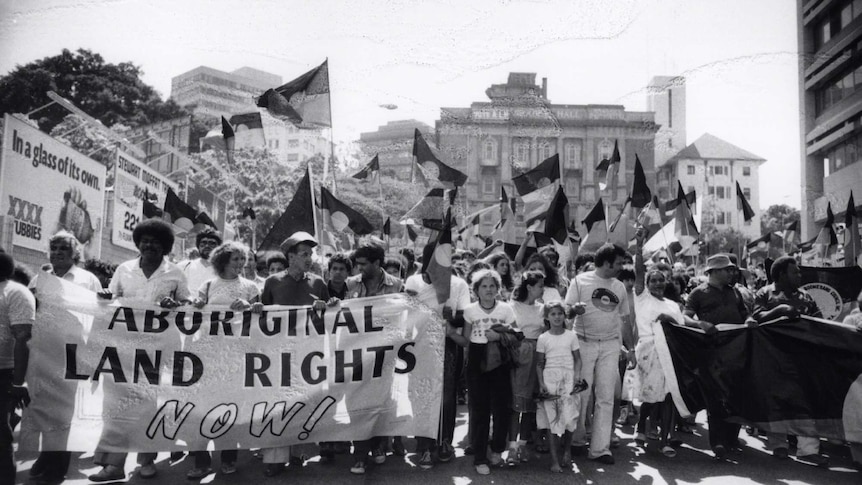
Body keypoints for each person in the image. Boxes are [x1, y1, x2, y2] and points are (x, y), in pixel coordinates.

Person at [89, 219, 191, 482]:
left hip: (159, 349)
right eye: (145, 240)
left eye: (156, 242)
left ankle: (146, 459)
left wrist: (175, 304)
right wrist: (104, 296)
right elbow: (110, 300)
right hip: (124, 348)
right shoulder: (124, 269)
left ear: (165, 246)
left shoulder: (175, 273)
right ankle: (113, 465)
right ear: (138, 243)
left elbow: (188, 304)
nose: (149, 246)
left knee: (150, 403)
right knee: (118, 403)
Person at [252, 231, 331, 477]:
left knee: (303, 401)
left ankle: (298, 452)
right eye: (304, 254)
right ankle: (274, 458)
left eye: (311, 254)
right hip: (278, 353)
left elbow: (331, 316)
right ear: (291, 256)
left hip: (307, 353)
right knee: (276, 404)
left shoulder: (318, 283)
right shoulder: (273, 282)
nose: (309, 258)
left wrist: (324, 307)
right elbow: (264, 317)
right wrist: (258, 309)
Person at [27, 232, 102, 484]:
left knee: (65, 409)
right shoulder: (40, 278)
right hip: (42, 350)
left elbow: (101, 313)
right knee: (43, 405)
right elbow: (29, 311)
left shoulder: (87, 280)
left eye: (64, 248)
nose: (58, 252)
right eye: (54, 247)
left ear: (75, 254)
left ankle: (59, 461)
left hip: (73, 350)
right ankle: (45, 456)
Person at [187, 241, 261, 479]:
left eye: (243, 259)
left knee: (230, 406)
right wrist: (197, 304)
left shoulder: (250, 287)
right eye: (235, 259)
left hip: (235, 356)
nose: (240, 264)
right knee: (202, 408)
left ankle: (228, 457)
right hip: (208, 354)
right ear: (222, 261)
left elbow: (262, 316)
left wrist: (251, 306)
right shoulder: (208, 285)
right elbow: (194, 308)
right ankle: (201, 461)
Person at [749, 256, 827, 466]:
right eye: (796, 272)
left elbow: (820, 322)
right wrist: (781, 310)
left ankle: (808, 449)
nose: (800, 275)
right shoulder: (765, 293)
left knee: (806, 402)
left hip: (802, 358)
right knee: (777, 402)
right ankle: (778, 444)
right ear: (782, 274)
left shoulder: (806, 296)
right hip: (772, 356)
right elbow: (754, 318)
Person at [404, 242, 472, 470]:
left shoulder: (459, 284)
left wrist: (452, 317)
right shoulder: (413, 282)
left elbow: (466, 316)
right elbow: (405, 315)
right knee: (422, 394)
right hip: (420, 345)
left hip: (449, 345)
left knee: (446, 396)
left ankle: (444, 442)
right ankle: (423, 445)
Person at [448, 269, 520, 476]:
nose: (488, 290)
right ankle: (480, 456)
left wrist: (500, 338)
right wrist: (452, 334)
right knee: (479, 411)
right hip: (477, 360)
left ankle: (497, 449)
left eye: (492, 286)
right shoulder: (470, 311)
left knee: (502, 409)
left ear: (498, 289)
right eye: (484, 286)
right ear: (476, 290)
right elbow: (467, 341)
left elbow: (517, 336)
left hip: (500, 359)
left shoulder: (506, 309)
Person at [564, 243, 629, 464]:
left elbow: (622, 319)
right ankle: (577, 441)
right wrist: (574, 310)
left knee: (606, 397)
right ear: (607, 262)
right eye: (619, 262)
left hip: (610, 345)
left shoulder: (619, 286)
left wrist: (624, 346)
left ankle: (600, 449)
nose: (622, 266)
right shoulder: (580, 281)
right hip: (584, 344)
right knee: (581, 395)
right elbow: (566, 311)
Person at [344, 238, 404, 475]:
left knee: (380, 399)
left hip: (384, 353)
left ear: (377, 263)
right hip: (356, 352)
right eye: (357, 263)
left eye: (364, 264)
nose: (359, 268)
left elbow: (402, 317)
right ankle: (359, 454)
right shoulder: (350, 284)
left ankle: (378, 445)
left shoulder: (396, 285)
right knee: (355, 401)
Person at [683, 253, 750, 460]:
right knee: (715, 397)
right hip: (711, 352)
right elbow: (685, 317)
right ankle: (718, 442)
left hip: (736, 350)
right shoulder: (698, 293)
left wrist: (749, 320)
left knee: (736, 394)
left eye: (731, 270)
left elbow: (745, 312)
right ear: (714, 271)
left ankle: (732, 438)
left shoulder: (735, 292)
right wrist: (699, 324)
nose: (731, 273)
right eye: (727, 270)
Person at [632, 227, 686, 458]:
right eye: (652, 280)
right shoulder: (641, 297)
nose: (656, 284)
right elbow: (638, 271)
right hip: (647, 351)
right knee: (650, 396)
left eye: (660, 281)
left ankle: (665, 440)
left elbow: (681, 328)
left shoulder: (673, 306)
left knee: (668, 397)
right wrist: (639, 245)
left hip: (670, 353)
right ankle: (641, 425)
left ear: (666, 284)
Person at [0, 252, 36, 485]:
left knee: (0, 439)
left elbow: (23, 339)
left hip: (4, 373)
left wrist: (18, 382)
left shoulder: (15, 292)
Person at [536, 301, 584, 473]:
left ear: (564, 315)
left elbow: (577, 358)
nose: (557, 317)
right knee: (552, 419)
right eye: (553, 314)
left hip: (569, 377)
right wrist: (542, 384)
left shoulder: (571, 335)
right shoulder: (543, 338)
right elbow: (539, 364)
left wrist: (577, 376)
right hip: (551, 379)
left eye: (560, 313)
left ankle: (567, 450)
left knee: (570, 418)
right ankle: (554, 460)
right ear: (547, 317)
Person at [506, 270, 546, 465]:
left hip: (537, 355)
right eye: (540, 285)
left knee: (530, 405)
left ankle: (522, 445)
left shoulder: (542, 308)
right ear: (529, 287)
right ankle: (511, 448)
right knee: (515, 404)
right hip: (518, 355)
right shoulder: (512, 306)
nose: (543, 289)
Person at [179, 228, 221, 295]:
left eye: (212, 243)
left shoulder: (224, 270)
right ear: (198, 246)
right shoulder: (184, 266)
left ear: (218, 247)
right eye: (203, 243)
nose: (207, 246)